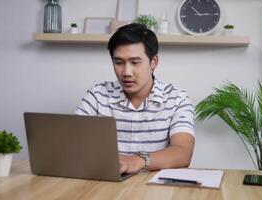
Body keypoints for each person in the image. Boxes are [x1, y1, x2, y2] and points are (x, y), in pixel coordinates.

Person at [75, 23, 195, 174]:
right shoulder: (97, 96)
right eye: (118, 62)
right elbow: (73, 144)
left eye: (135, 62)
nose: (126, 72)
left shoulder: (177, 99)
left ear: (153, 62)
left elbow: (183, 153)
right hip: (107, 185)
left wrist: (138, 160)